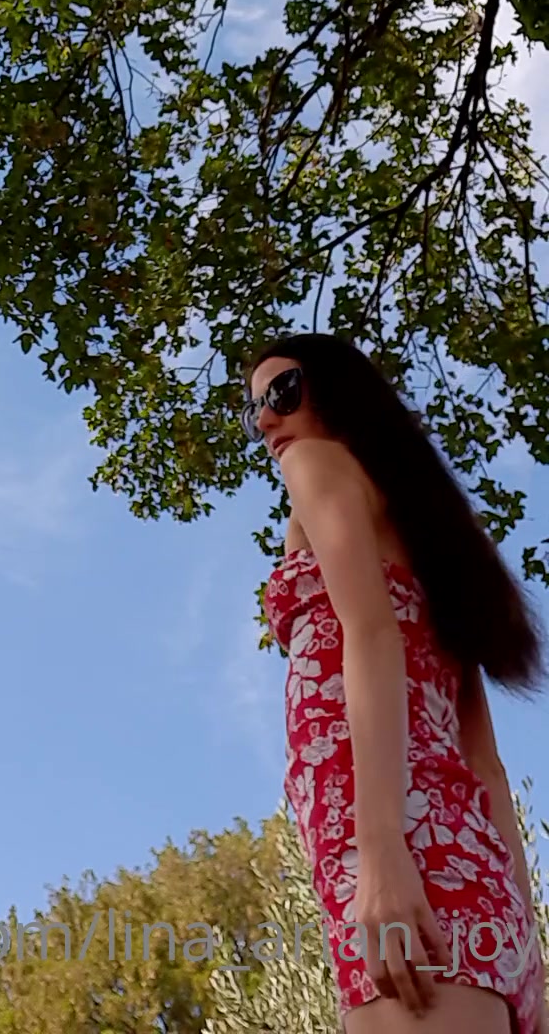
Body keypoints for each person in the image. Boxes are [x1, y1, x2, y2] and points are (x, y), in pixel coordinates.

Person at [245, 331, 548, 1034]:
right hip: (460, 870)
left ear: (339, 393)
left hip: (398, 848)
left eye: (282, 392)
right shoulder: (435, 547)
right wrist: (529, 956)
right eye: (253, 408)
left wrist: (381, 851)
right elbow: (486, 766)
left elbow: (371, 632)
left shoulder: (317, 463)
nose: (265, 419)